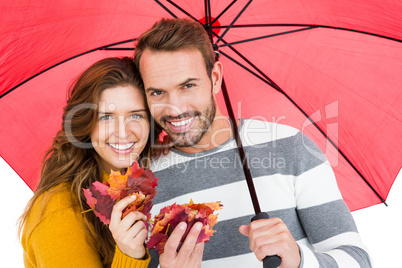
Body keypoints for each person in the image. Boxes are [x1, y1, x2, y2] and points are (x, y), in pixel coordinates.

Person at [133, 18, 372, 267]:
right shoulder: (142, 183)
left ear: (215, 77)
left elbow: (358, 260)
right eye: (158, 92)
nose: (175, 108)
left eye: (188, 85)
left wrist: (299, 260)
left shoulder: (290, 146)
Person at [18, 57, 166, 267]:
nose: (123, 132)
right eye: (106, 117)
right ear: (86, 124)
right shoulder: (58, 209)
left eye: (135, 115)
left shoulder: (145, 189)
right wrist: (129, 256)